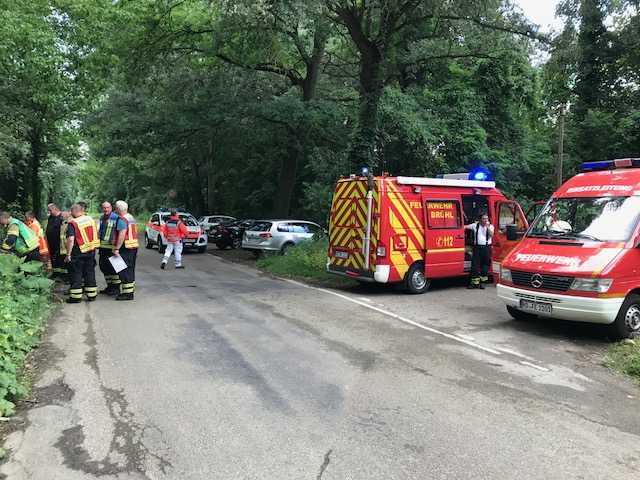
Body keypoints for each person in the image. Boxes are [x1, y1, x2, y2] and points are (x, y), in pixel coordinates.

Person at [64, 203, 99, 303]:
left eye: (71, 211)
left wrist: (68, 254)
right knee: (89, 272)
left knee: (76, 273)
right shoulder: (90, 219)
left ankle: (75, 297)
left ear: (74, 211)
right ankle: (92, 295)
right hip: (91, 250)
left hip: (78, 252)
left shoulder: (73, 223)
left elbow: (71, 239)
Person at [113, 200, 138, 301]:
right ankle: (129, 292)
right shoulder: (130, 217)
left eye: (115, 207)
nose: (115, 209)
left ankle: (127, 294)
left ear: (118, 209)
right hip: (133, 246)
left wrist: (117, 248)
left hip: (125, 247)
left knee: (122, 270)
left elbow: (122, 233)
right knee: (130, 270)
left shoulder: (122, 219)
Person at [97, 201, 121, 295]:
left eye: (107, 207)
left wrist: (117, 247)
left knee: (113, 268)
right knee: (104, 267)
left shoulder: (116, 217)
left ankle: (116, 288)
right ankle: (109, 286)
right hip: (103, 248)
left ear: (111, 208)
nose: (106, 209)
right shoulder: (102, 217)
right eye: (104, 208)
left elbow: (120, 232)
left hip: (112, 248)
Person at [465, 213, 494, 289]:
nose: (485, 220)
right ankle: (474, 283)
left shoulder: (490, 226)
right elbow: (464, 227)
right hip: (477, 248)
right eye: (484, 219)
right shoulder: (475, 225)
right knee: (475, 266)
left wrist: (487, 228)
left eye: (486, 219)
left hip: (486, 248)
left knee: (485, 266)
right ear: (480, 219)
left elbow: (491, 235)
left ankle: (483, 283)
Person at [45, 203, 67, 278]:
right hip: (51, 242)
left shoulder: (62, 217)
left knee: (61, 258)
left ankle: (64, 275)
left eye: (50, 210)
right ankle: (55, 273)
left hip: (60, 243)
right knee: (53, 258)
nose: (49, 212)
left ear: (55, 209)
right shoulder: (50, 217)